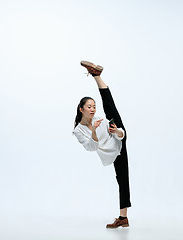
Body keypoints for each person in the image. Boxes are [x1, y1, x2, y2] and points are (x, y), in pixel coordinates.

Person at [72, 61, 132, 229]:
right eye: (89, 107)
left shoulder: (99, 119)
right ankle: (123, 218)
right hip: (112, 151)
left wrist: (116, 131)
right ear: (81, 109)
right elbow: (90, 148)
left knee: (109, 105)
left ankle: (96, 75)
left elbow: (122, 134)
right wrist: (93, 133)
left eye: (93, 106)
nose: (92, 109)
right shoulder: (79, 131)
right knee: (122, 179)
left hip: (118, 139)